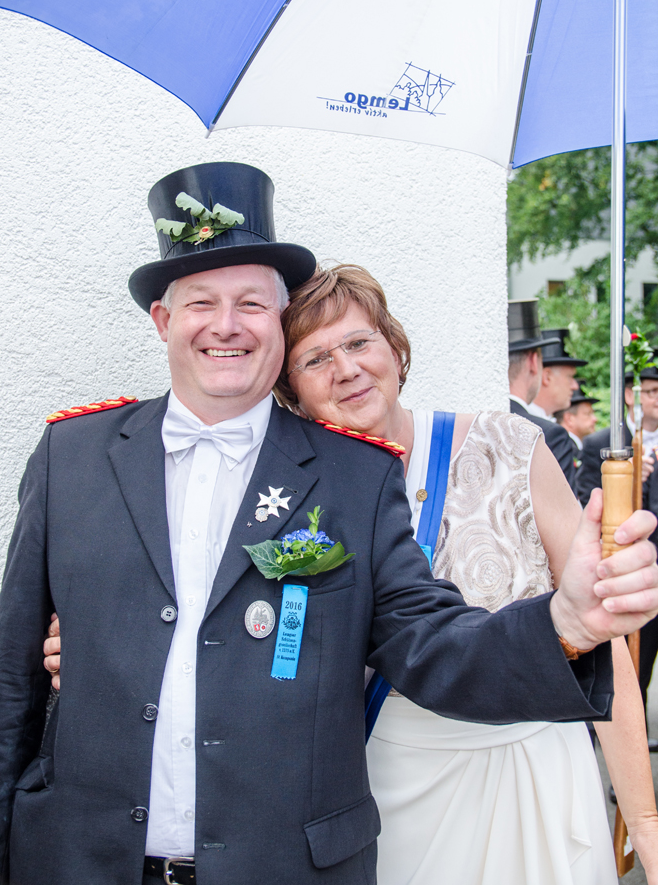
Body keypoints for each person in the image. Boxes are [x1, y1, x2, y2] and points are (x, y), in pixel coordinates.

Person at [0, 164, 658, 885]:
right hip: (75, 861)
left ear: (277, 322)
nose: (226, 324)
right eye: (201, 302)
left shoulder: (357, 478)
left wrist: (566, 621)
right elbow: (12, 680)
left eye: (251, 303)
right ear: (162, 320)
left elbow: (433, 643)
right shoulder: (71, 455)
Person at [271, 263, 658, 885]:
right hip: (390, 791)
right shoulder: (294, 499)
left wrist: (645, 822)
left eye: (359, 342)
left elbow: (601, 637)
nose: (345, 368)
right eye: (315, 359)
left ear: (394, 348)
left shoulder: (509, 446)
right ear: (291, 391)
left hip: (534, 773)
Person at [578, 365, 658, 723]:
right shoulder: (601, 443)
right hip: (626, 573)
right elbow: (585, 502)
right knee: (625, 669)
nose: (657, 400)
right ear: (631, 395)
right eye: (651, 392)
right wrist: (629, 481)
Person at [507, 300, 577, 490]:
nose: (575, 385)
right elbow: (563, 509)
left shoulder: (475, 424)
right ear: (533, 361)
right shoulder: (548, 435)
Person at [528, 328, 586, 421]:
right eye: (569, 377)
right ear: (547, 377)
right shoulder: (524, 422)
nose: (575, 386)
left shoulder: (543, 421)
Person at [555, 384, 599, 466]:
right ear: (569, 419)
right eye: (588, 414)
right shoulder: (564, 449)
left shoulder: (572, 447)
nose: (595, 419)